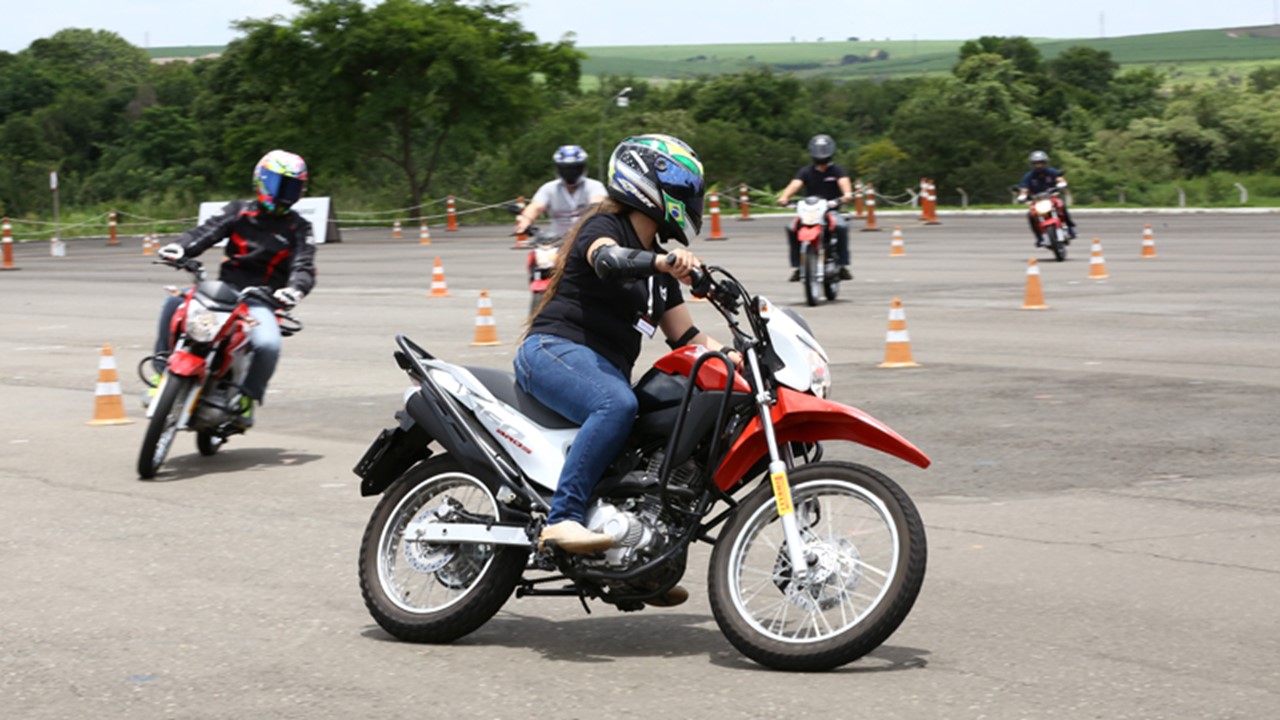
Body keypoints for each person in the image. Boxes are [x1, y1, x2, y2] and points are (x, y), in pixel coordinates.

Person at [516, 134, 737, 606]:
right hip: (552, 350)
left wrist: (742, 360)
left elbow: (688, 339)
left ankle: (634, 555)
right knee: (616, 405)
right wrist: (663, 262)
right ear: (651, 183)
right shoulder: (606, 225)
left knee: (658, 424)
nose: (691, 200)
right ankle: (563, 518)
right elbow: (607, 261)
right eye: (684, 189)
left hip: (599, 366)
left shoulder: (660, 271)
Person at [152, 149, 316, 428]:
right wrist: (180, 247)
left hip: (261, 300)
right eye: (280, 184)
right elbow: (206, 232)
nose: (286, 192)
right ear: (262, 180)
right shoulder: (238, 211)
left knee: (268, 344)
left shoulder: (300, 228)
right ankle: (160, 376)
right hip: (220, 292)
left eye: (293, 186)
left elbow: (304, 266)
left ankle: (246, 398)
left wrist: (294, 290)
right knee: (172, 305)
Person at [776, 134, 854, 282]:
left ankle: (842, 265)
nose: (821, 154)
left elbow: (845, 185)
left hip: (830, 210)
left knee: (841, 226)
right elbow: (794, 185)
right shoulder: (806, 171)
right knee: (791, 228)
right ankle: (798, 267)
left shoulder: (838, 170)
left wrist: (846, 195)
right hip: (809, 211)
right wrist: (785, 197)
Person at [514, 145, 609, 238]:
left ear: (583, 168)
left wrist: (595, 208)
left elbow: (598, 204)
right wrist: (525, 222)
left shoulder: (594, 186)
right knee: (535, 254)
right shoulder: (549, 188)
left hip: (586, 240)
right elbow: (536, 207)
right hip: (555, 242)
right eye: (566, 169)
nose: (570, 172)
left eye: (575, 168)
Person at [1017, 150, 1077, 245]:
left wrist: (1061, 183)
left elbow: (1059, 178)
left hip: (1051, 197)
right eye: (1036, 164)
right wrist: (1022, 195)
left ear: (1045, 163)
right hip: (1037, 201)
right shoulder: (1029, 176)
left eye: (1041, 163)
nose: (1039, 166)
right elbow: (1024, 188)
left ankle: (1070, 228)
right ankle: (1039, 237)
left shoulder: (1051, 172)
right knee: (1031, 215)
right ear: (1032, 164)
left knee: (1061, 205)